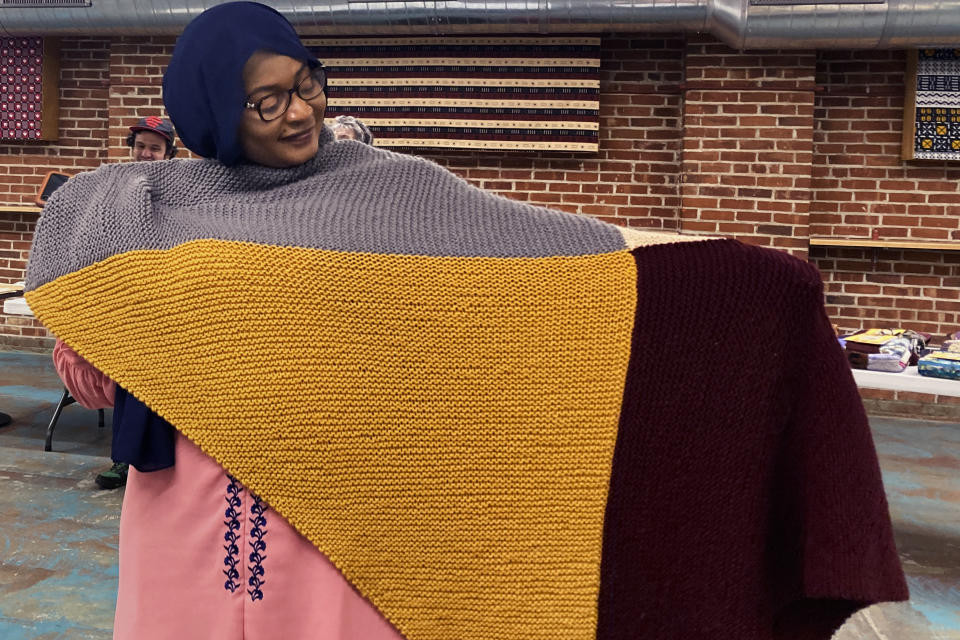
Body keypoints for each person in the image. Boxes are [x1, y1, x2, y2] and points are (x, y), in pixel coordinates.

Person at [25, 3, 908, 639]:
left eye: (305, 86)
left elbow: (550, 249)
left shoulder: (389, 186)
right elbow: (84, 352)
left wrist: (740, 278)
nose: (300, 113)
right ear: (212, 112)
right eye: (266, 102)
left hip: (347, 518)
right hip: (187, 514)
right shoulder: (148, 213)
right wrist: (131, 357)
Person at [53, 114, 179, 491]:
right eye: (141, 146)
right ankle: (126, 460)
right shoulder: (110, 188)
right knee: (129, 376)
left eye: (154, 148)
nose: (145, 154)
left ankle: (153, 460)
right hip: (122, 298)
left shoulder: (180, 189)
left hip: (164, 298)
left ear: (169, 153)